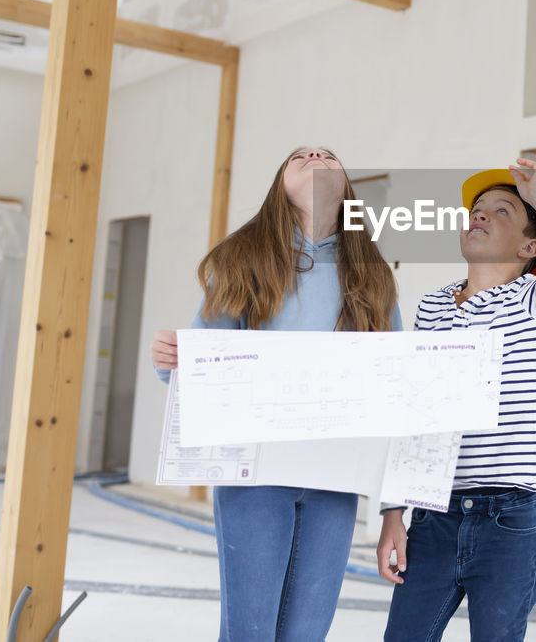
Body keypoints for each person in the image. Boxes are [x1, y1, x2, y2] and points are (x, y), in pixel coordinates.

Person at [150, 146, 400, 642]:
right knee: (250, 632)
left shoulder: (374, 275)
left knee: (307, 633)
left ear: (346, 185)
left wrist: (393, 511)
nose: (313, 156)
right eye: (299, 156)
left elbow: (392, 397)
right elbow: (201, 363)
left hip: (335, 480)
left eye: (326, 155)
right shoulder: (241, 260)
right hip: (255, 474)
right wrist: (173, 359)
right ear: (278, 185)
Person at [376, 153, 536, 642]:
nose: (480, 214)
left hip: (507, 518)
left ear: (529, 248)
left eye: (503, 210)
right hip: (434, 515)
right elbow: (413, 410)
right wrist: (393, 511)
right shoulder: (433, 305)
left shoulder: (532, 299)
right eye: (477, 209)